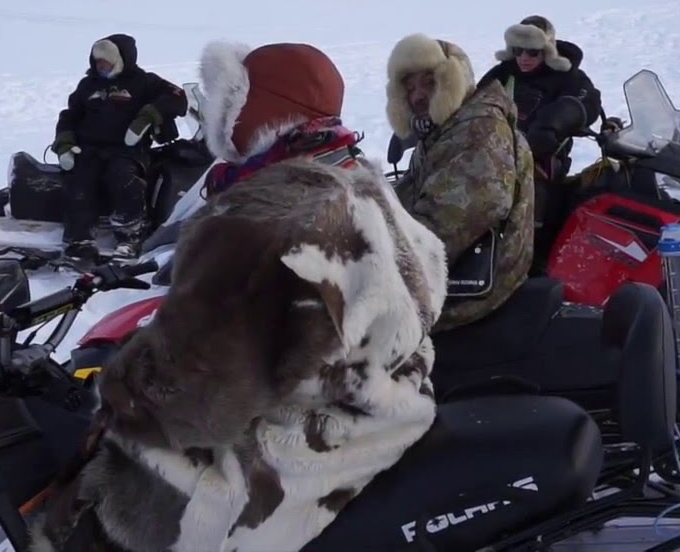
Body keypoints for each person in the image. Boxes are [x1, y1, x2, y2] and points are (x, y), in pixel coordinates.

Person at [30, 40, 448, 552]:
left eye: (228, 100)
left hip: (292, 458)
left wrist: (118, 399)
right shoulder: (359, 182)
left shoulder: (263, 223)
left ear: (252, 107)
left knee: (86, 517)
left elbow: (197, 402)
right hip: (382, 420)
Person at [385, 33, 535, 332]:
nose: (417, 96)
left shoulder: (480, 131)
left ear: (452, 80)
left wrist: (370, 258)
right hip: (457, 271)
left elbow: (443, 225)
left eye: (428, 82)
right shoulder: (446, 130)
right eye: (410, 87)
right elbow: (414, 192)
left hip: (473, 293)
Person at [478, 15, 604, 269]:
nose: (524, 58)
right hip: (497, 158)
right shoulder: (504, 74)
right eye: (518, 50)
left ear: (546, 51)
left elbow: (589, 102)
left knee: (537, 208)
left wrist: (558, 119)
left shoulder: (566, 76)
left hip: (543, 163)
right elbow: (473, 102)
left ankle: (533, 265)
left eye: (533, 52)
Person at [51, 33, 188, 260]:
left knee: (123, 178)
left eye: (107, 61)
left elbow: (177, 97)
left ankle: (131, 235)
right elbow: (69, 115)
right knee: (79, 181)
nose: (101, 66)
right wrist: (64, 143)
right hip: (89, 149)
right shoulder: (88, 85)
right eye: (98, 62)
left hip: (128, 150)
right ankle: (79, 239)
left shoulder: (144, 82)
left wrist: (147, 116)